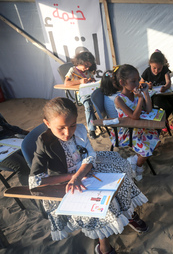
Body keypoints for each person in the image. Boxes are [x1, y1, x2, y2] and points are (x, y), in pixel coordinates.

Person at [29, 97, 148, 254]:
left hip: (86, 170)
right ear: (48, 123)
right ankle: (103, 244)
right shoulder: (43, 143)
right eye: (61, 128)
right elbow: (36, 180)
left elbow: (90, 156)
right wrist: (71, 177)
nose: (68, 133)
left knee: (122, 169)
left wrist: (79, 174)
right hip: (67, 182)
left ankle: (128, 212)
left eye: (72, 125)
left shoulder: (79, 130)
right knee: (102, 201)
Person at [114, 64, 160, 181]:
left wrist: (145, 93)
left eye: (138, 79)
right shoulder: (119, 99)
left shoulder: (136, 93)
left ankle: (134, 161)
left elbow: (148, 109)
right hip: (127, 131)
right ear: (123, 82)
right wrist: (139, 99)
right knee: (145, 151)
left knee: (157, 142)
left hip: (140, 128)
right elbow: (134, 116)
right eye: (133, 81)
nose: (138, 83)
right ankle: (138, 167)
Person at [141, 50, 173, 132]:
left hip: (166, 93)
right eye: (154, 68)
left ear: (163, 65)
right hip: (155, 95)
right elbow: (141, 82)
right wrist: (147, 84)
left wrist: (166, 86)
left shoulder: (165, 69)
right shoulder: (147, 71)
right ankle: (163, 122)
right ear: (150, 63)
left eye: (159, 68)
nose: (156, 71)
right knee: (167, 108)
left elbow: (168, 81)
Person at [64, 51, 98, 139]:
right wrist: (79, 81)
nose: (87, 68)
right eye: (86, 65)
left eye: (89, 66)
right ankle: (92, 130)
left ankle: (100, 122)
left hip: (91, 92)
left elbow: (92, 79)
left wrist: (92, 81)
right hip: (81, 94)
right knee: (88, 105)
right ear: (80, 62)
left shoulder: (88, 70)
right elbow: (66, 83)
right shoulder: (73, 70)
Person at [0, 113, 30, 185]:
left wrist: (24, 132)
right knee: (21, 164)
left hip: (8, 139)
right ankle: (32, 192)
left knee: (36, 147)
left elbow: (6, 126)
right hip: (3, 151)